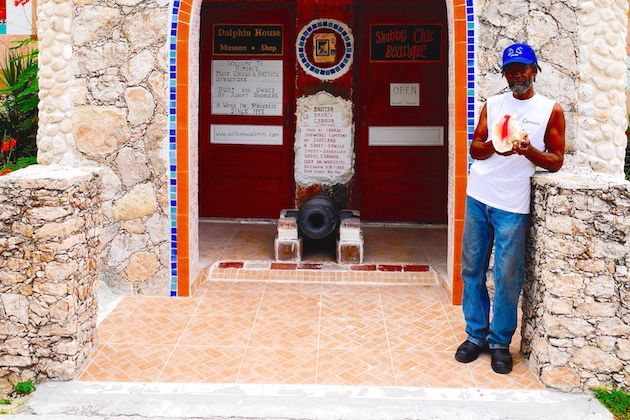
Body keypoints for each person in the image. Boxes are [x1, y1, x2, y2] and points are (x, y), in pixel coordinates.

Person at [454, 43, 566, 374]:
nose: (517, 75)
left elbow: (556, 160)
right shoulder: (493, 104)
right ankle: (475, 336)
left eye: (523, 68)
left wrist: (528, 151)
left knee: (506, 276)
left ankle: (500, 342)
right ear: (504, 74)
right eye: (510, 70)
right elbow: (475, 146)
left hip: (513, 205)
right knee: (471, 269)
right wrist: (494, 147)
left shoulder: (550, 110)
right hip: (479, 196)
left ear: (535, 70)